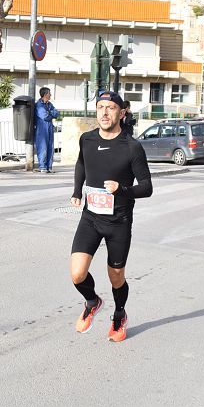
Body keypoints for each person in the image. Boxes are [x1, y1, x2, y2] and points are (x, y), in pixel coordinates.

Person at [69, 90, 152, 343]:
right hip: (91, 218)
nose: (104, 113)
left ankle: (119, 314)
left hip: (119, 222)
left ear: (121, 112)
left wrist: (122, 189)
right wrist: (77, 191)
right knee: (77, 274)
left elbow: (147, 187)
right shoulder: (87, 139)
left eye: (111, 108)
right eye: (100, 107)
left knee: (116, 277)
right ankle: (92, 301)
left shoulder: (132, 147)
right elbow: (82, 163)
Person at [34, 87, 60, 173]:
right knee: (42, 147)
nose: (50, 95)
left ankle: (49, 167)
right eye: (49, 93)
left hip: (49, 128)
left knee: (50, 147)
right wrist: (51, 114)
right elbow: (45, 117)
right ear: (45, 95)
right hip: (41, 129)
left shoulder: (49, 104)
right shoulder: (39, 105)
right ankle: (42, 167)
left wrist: (51, 113)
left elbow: (57, 113)